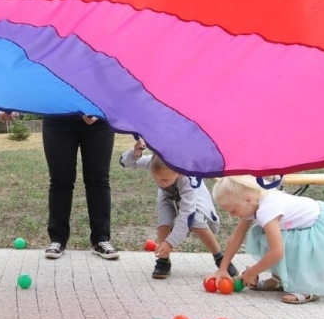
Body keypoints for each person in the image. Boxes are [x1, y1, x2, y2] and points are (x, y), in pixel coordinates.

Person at [210, 176, 324, 303]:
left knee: (290, 245)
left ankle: (307, 288)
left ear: (247, 199)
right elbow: (236, 237)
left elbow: (277, 252)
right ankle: (278, 279)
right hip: (298, 223)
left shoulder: (267, 209)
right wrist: (223, 268)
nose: (231, 215)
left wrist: (252, 272)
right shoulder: (253, 202)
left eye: (232, 210)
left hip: (314, 226)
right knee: (263, 235)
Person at [119, 136, 230, 279]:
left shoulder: (187, 179)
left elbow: (186, 215)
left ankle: (220, 258)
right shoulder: (154, 162)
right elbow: (124, 162)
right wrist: (135, 153)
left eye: (165, 179)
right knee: (164, 222)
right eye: (156, 177)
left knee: (196, 222)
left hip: (194, 201)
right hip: (167, 197)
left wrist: (170, 243)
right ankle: (163, 260)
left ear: (178, 172)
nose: (161, 182)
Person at [41, 113, 119, 259]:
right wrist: (8, 106)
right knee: (60, 180)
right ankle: (57, 240)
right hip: (57, 117)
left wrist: (96, 110)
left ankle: (101, 240)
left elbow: (115, 89)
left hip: (98, 120)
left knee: (98, 180)